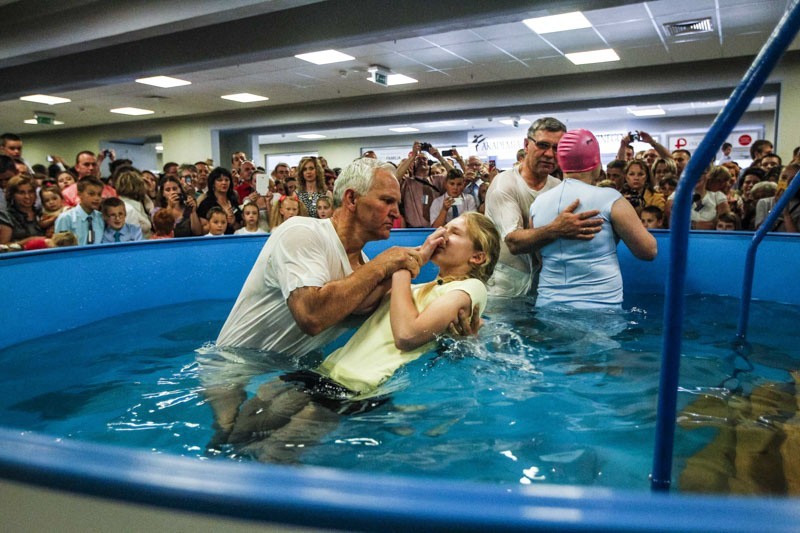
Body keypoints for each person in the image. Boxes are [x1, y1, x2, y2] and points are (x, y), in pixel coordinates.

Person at [210, 158, 475, 447]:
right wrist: (385, 264)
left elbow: (403, 319)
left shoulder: (364, 268)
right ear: (351, 198)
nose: (396, 213)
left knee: (264, 454)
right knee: (226, 445)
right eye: (387, 201)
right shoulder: (302, 232)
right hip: (233, 367)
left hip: (288, 374)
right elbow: (311, 315)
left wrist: (460, 326)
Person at [225, 212, 500, 463]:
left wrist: (402, 267)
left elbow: (406, 335)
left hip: (357, 388)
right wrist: (415, 258)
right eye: (443, 227)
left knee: (277, 453)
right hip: (327, 372)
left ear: (477, 257)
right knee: (244, 427)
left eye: (453, 233)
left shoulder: (471, 289)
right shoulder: (423, 289)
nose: (441, 234)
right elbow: (361, 303)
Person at [529, 129, 657, 308]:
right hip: (599, 309)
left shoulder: (538, 204)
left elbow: (539, 257)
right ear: (596, 163)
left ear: (561, 162)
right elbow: (648, 251)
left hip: (547, 306)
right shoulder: (610, 199)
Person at [484, 116, 603, 298]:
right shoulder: (504, 184)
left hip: (544, 284)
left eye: (556, 148)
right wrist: (557, 229)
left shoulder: (558, 186)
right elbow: (513, 242)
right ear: (526, 145)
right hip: (503, 285)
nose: (549, 154)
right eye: (543, 145)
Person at [54, 176, 106, 245]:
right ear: (79, 194)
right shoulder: (66, 218)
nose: (97, 198)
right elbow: (60, 248)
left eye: (99, 194)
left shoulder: (101, 217)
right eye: (91, 194)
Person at [0, 175, 45, 244]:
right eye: (21, 193)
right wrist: (31, 240)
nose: (27, 196)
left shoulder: (42, 213)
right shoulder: (6, 217)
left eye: (30, 192)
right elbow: (3, 247)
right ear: (12, 195)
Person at [197, 167, 242, 234]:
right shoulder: (206, 204)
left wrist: (233, 223)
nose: (224, 183)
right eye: (219, 180)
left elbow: (241, 227)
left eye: (227, 180)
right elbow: (201, 230)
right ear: (213, 183)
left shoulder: (233, 201)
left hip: (232, 239)